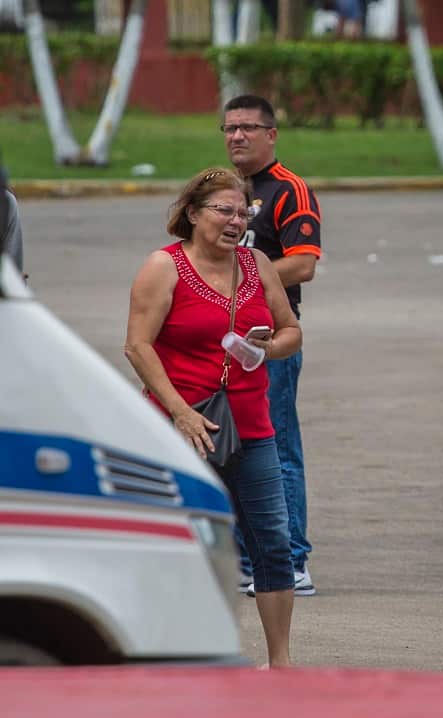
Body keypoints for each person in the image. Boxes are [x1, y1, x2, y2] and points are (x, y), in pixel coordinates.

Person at [124, 167, 301, 667]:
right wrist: (180, 413)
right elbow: (137, 346)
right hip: (181, 428)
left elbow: (291, 331)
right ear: (193, 213)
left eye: (243, 213)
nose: (236, 221)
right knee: (182, 542)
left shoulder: (256, 263)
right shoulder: (164, 266)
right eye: (224, 210)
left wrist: (264, 351)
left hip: (252, 427)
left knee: (273, 543)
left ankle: (280, 664)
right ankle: (172, 656)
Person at [223, 94, 322, 597]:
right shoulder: (226, 191)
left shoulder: (289, 190)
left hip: (268, 340)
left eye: (247, 127)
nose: (237, 136)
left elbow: (302, 264)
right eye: (229, 128)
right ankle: (247, 560)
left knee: (276, 447)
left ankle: (291, 561)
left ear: (271, 134)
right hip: (222, 340)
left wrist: (237, 283)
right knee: (230, 448)